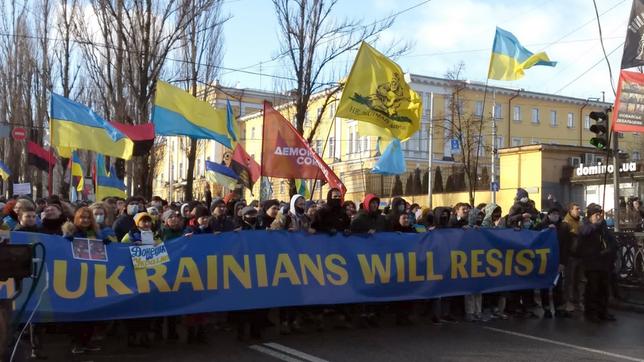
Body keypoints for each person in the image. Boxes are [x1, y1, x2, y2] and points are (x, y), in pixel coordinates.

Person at [61, 207, 107, 354]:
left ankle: (87, 341)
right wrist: (66, 242)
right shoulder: (70, 232)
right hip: (75, 278)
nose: (85, 220)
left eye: (88, 218)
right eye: (83, 218)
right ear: (77, 218)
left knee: (91, 312)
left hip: (93, 278)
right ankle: (76, 342)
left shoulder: (95, 233)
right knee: (77, 313)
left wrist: (105, 244)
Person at [579, 204, 617, 323]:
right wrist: (596, 226)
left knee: (604, 289)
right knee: (593, 289)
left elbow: (611, 241)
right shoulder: (586, 226)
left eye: (600, 214)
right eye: (596, 214)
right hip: (592, 263)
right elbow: (585, 232)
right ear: (590, 216)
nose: (599, 216)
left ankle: (603, 311)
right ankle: (591, 312)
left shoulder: (603, 227)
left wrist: (610, 249)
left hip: (603, 263)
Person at [535, 207, 570, 318]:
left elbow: (565, 246)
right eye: (553, 214)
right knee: (544, 285)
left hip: (557, 260)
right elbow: (534, 237)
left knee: (557, 286)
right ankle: (546, 309)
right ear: (548, 215)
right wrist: (545, 229)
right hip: (544, 260)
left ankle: (558, 308)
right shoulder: (541, 225)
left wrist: (563, 262)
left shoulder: (563, 227)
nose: (555, 216)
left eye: (557, 214)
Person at [560, 202, 584, 313]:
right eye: (576, 209)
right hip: (570, 256)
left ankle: (576, 301)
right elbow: (563, 243)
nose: (579, 210)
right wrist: (563, 260)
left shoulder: (579, 222)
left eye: (579, 209)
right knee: (569, 281)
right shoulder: (566, 224)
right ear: (571, 210)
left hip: (579, 255)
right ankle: (567, 302)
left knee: (577, 281)